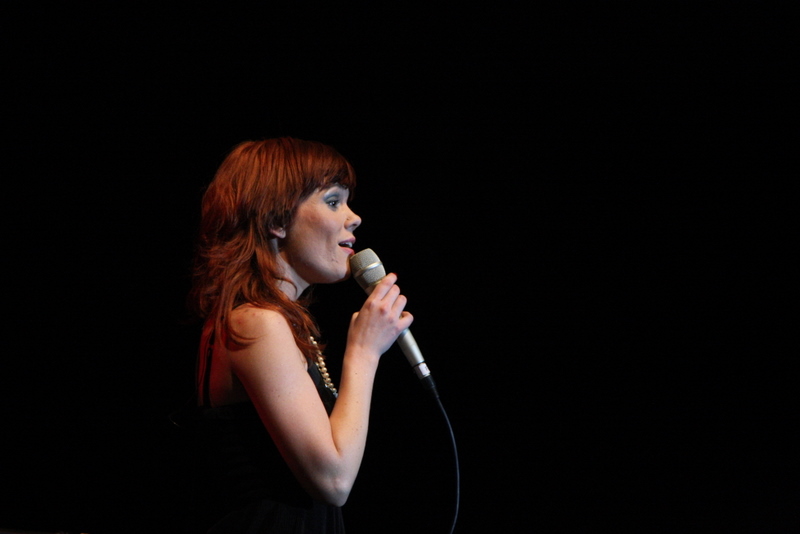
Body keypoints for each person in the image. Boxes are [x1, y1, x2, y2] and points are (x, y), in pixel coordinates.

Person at [186, 137, 413, 532]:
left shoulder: (266, 320)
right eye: (333, 201)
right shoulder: (256, 322)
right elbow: (334, 480)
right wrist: (364, 351)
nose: (354, 217)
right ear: (277, 219)